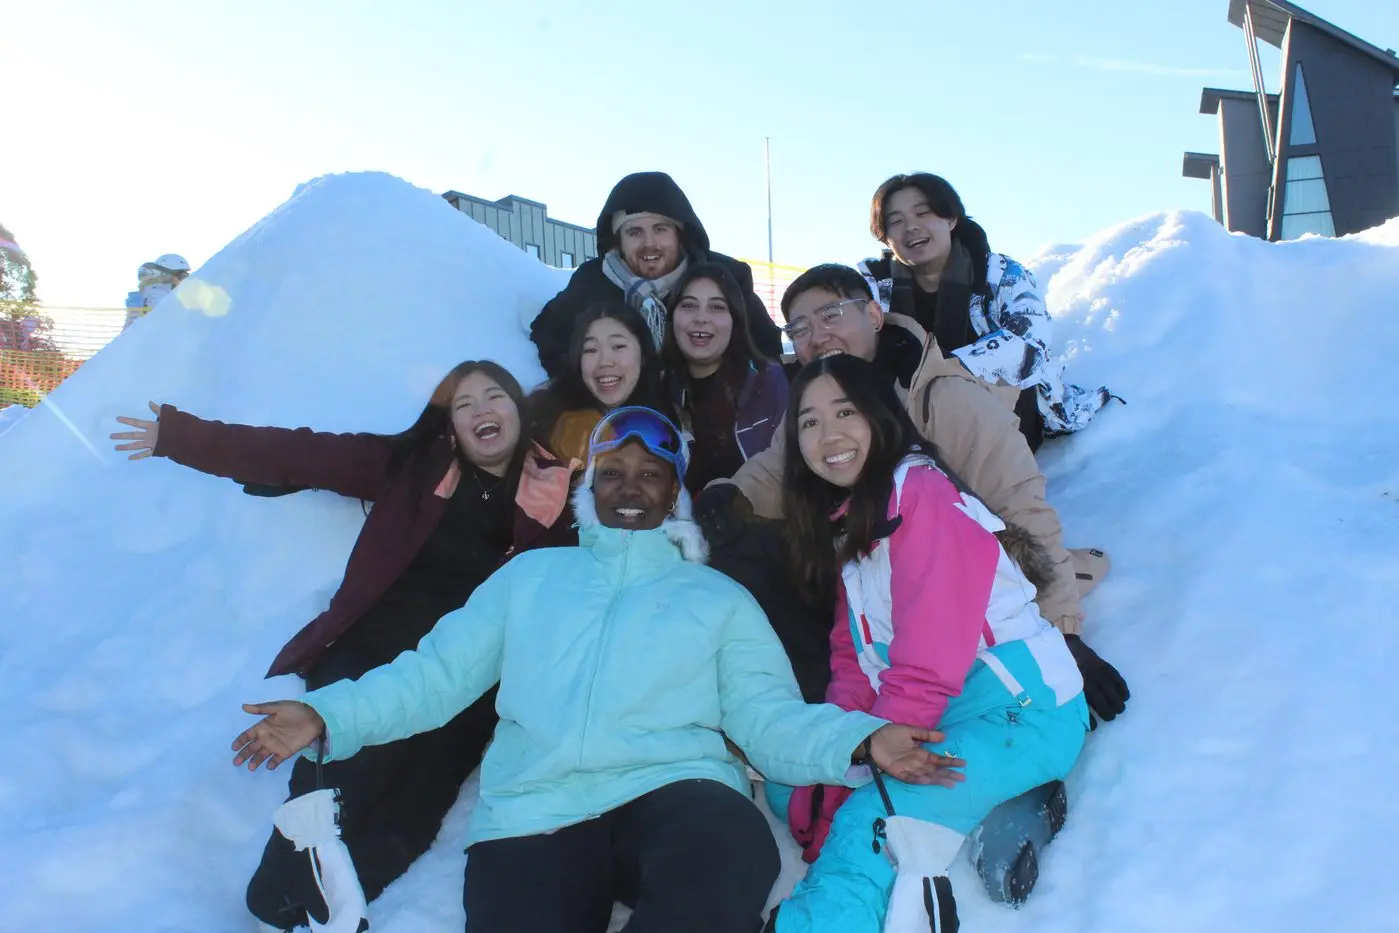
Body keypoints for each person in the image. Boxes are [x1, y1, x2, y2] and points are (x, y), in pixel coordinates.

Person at [230, 405, 962, 933]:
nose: (632, 486)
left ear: (674, 487)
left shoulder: (716, 598)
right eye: (614, 472)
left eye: (652, 472)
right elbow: (432, 676)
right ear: (592, 484)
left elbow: (766, 719)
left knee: (727, 853)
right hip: (535, 807)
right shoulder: (529, 578)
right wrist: (330, 713)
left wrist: (859, 740)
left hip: (673, 792)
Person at [110, 360, 578, 931]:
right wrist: (182, 437)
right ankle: (277, 900)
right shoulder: (414, 466)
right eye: (463, 404)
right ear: (449, 426)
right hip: (375, 644)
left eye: (493, 396)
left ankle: (329, 910)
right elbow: (303, 453)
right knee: (347, 772)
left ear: (518, 408)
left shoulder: (559, 495)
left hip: (467, 675)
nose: (480, 410)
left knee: (415, 806)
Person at [703, 264, 1127, 723]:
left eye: (830, 316)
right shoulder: (815, 406)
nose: (816, 337)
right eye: (800, 328)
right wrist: (728, 496)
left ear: (874, 315)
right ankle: (808, 711)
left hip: (961, 590)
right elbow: (773, 472)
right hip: (870, 588)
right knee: (752, 554)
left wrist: (1065, 635)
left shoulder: (943, 398)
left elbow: (1021, 505)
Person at [767, 355, 1089, 933]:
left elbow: (927, 663)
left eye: (846, 412)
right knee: (795, 788)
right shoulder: (854, 521)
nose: (828, 434)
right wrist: (843, 752)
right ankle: (1000, 805)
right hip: (943, 715)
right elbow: (853, 663)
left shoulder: (922, 497)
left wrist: (872, 764)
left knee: (871, 823)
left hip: (1019, 712)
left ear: (881, 417)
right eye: (809, 422)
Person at [860, 174, 1113, 449]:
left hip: (1002, 415)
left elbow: (1029, 345)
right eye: (896, 221)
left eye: (923, 213)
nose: (911, 227)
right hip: (907, 420)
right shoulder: (870, 290)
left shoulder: (1000, 275)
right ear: (885, 238)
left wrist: (940, 368)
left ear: (951, 219)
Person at [530, 172, 783, 379]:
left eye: (660, 229)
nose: (649, 244)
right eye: (634, 232)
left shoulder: (725, 278)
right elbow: (549, 337)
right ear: (619, 241)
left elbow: (767, 349)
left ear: (679, 234)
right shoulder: (593, 282)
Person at [663, 261, 788, 494]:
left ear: (735, 319)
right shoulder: (659, 388)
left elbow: (790, 472)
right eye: (688, 305)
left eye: (717, 307)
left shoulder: (768, 381)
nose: (701, 318)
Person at [526, 300, 671, 466]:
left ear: (643, 354)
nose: (604, 361)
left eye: (618, 346)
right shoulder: (542, 416)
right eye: (591, 350)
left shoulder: (670, 424)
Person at [122, 254, 191, 330]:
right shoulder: (159, 294)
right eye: (182, 275)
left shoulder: (150, 292)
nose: (185, 280)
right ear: (167, 274)